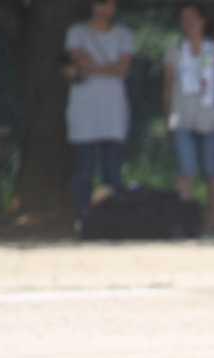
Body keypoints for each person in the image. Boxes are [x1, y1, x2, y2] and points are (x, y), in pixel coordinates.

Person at [163, 1, 214, 233]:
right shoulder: (174, 53)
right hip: (182, 119)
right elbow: (168, 90)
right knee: (186, 170)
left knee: (213, 171)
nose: (189, 23)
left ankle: (211, 222)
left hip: (212, 120)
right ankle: (186, 221)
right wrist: (167, 119)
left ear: (204, 20)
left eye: (193, 17)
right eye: (184, 18)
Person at [64, 0, 135, 224]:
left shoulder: (124, 34)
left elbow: (122, 68)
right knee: (84, 168)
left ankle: (112, 219)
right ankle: (84, 218)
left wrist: (93, 66)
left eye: (109, 4)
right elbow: (77, 60)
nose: (104, 9)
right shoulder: (77, 32)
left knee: (112, 168)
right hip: (84, 110)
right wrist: (106, 67)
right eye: (100, 4)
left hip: (112, 110)